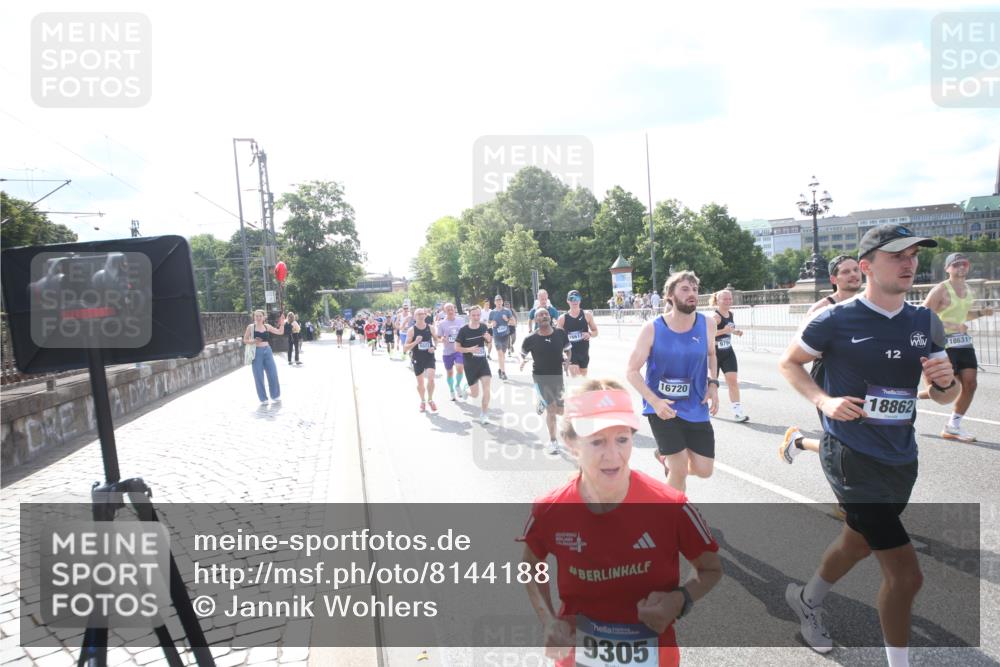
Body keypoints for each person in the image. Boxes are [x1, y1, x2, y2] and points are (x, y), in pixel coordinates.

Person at [778, 224, 958, 662]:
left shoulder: (924, 321)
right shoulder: (833, 319)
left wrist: (945, 382)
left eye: (913, 254)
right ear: (865, 266)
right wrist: (824, 400)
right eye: (897, 255)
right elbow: (790, 363)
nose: (909, 263)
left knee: (857, 542)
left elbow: (945, 395)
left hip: (901, 457)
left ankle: (806, 598)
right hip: (851, 456)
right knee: (906, 576)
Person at [519, 379, 722, 667]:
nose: (612, 455)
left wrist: (679, 600)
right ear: (571, 443)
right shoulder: (550, 509)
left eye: (622, 439)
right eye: (597, 441)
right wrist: (549, 620)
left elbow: (711, 568)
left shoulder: (671, 506)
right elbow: (530, 563)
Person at [626, 271, 719, 492]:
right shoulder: (652, 328)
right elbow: (631, 371)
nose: (692, 294)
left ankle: (663, 455)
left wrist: (713, 384)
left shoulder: (707, 324)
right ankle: (671, 522)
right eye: (685, 289)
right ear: (670, 295)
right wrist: (654, 401)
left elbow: (712, 354)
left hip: (696, 405)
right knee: (678, 471)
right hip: (663, 408)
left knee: (705, 470)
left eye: (695, 289)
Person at [780, 255, 863, 463]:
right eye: (845, 271)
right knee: (843, 440)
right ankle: (799, 443)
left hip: (860, 371)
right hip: (830, 373)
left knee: (862, 437)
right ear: (834, 279)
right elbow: (797, 350)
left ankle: (798, 442)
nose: (853, 274)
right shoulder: (822, 309)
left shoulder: (866, 304)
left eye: (855, 269)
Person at [920, 252, 994, 442]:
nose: (960, 267)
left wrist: (980, 312)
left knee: (970, 384)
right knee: (947, 389)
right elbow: (922, 316)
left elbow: (963, 315)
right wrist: (951, 326)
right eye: (956, 265)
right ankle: (913, 396)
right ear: (947, 269)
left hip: (963, 342)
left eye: (964, 264)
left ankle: (953, 426)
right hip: (942, 344)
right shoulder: (940, 290)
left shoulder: (968, 290)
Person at [520, 308, 570, 454]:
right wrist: (521, 361)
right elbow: (521, 353)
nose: (544, 316)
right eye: (540, 315)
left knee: (560, 411)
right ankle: (553, 441)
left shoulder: (560, 333)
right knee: (552, 409)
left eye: (546, 314)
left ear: (550, 317)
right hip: (540, 377)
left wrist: (567, 361)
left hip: (557, 377)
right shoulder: (530, 338)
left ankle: (541, 402)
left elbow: (568, 350)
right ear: (536, 320)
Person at [709, 289, 747, 422]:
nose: (728, 301)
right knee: (711, 385)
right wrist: (724, 330)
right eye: (725, 299)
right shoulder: (716, 317)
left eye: (730, 299)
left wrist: (735, 332)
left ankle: (737, 412)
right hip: (714, 354)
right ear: (717, 301)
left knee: (732, 381)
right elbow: (709, 334)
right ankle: (700, 406)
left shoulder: (731, 313)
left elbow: (728, 329)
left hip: (728, 352)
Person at [455, 305, 493, 424]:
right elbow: (457, 348)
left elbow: (488, 342)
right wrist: (469, 350)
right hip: (470, 365)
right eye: (474, 315)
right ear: (469, 315)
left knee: (487, 389)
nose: (476, 317)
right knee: (475, 394)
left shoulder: (483, 327)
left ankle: (484, 414)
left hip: (482, 363)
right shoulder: (463, 330)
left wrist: (489, 339)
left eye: (478, 315)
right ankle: (467, 391)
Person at [243, 310, 286, 404]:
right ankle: (263, 398)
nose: (258, 318)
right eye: (256, 316)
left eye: (260, 316)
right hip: (256, 352)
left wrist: (282, 323)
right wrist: (253, 341)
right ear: (254, 317)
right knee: (258, 375)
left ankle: (275, 395)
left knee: (273, 373)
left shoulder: (267, 326)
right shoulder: (251, 327)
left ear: (264, 317)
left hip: (268, 351)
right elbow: (245, 340)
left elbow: (280, 332)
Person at [404, 308, 439, 414]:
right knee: (420, 382)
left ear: (425, 315)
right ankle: (423, 401)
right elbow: (405, 348)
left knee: (431, 379)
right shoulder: (412, 330)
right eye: (418, 314)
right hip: (417, 358)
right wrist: (415, 342)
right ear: (415, 316)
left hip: (429, 356)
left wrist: (435, 347)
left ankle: (430, 399)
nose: (421, 316)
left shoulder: (431, 328)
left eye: (423, 314)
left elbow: (436, 339)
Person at [557, 290, 598, 378]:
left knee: (583, 377)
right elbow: (557, 338)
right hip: (570, 352)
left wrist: (590, 334)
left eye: (577, 298)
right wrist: (562, 354)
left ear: (580, 300)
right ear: (568, 301)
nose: (574, 301)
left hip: (584, 352)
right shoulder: (562, 318)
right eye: (572, 299)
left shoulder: (587, 315)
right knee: (575, 377)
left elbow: (596, 332)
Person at [437, 303, 468, 401]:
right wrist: (442, 339)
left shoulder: (461, 320)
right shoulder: (441, 323)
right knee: (449, 373)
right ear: (445, 311)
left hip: (458, 349)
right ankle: (451, 391)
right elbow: (438, 337)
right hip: (447, 351)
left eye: (452, 309)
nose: (450, 311)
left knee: (460, 368)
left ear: (454, 309)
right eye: (448, 309)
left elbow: (466, 333)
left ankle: (458, 385)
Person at [486, 294, 516, 381]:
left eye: (500, 300)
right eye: (497, 301)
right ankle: (503, 373)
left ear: (502, 302)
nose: (499, 302)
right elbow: (488, 324)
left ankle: (500, 369)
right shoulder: (492, 312)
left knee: (503, 354)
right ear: (495, 302)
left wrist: (507, 320)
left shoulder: (507, 311)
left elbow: (513, 322)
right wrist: (492, 324)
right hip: (497, 336)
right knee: (500, 354)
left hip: (506, 335)